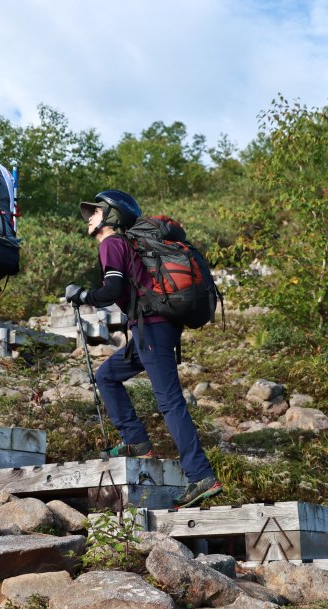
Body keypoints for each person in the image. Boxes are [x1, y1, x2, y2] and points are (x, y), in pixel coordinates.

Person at [64, 190, 222, 509]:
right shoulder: (127, 245)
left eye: (95, 211)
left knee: (169, 401)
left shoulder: (112, 243)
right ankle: (136, 443)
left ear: (110, 216)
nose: (89, 217)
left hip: (152, 327)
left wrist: (81, 295)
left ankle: (201, 476)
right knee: (108, 375)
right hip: (152, 327)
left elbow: (112, 290)